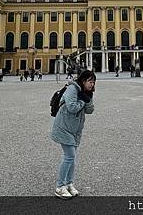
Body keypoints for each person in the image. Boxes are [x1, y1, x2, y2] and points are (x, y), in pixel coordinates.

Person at [50, 69, 96, 199]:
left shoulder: (86, 92)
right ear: (83, 81)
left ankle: (69, 183)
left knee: (72, 157)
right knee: (69, 156)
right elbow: (72, 107)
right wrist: (83, 101)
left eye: (93, 82)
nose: (92, 85)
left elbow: (90, 110)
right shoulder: (72, 89)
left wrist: (87, 99)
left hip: (75, 130)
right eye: (90, 81)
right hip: (63, 127)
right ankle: (59, 187)